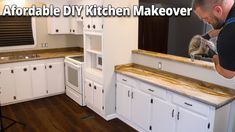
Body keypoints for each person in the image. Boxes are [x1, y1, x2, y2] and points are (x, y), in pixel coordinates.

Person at [192, 0, 235, 79]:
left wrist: (211, 53)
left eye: (205, 18)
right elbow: (229, 25)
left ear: (218, 10)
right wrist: (207, 36)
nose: (205, 22)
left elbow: (227, 73)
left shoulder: (227, 36)